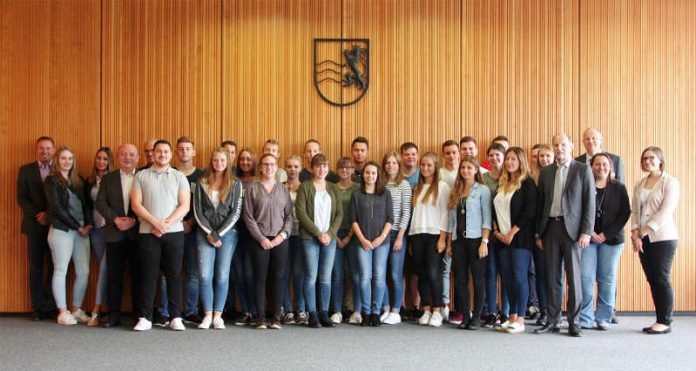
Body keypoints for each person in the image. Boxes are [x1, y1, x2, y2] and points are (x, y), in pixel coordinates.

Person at [535, 133, 595, 337]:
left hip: (573, 231)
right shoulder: (546, 172)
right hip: (550, 228)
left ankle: (574, 322)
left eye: (563, 144)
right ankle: (552, 320)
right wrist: (538, 233)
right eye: (556, 145)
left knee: (574, 278)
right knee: (552, 277)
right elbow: (541, 204)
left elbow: (589, 203)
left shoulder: (583, 169)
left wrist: (586, 232)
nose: (559, 148)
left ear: (571, 146)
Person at [131, 140, 191, 331]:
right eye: (159, 151)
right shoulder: (141, 176)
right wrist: (155, 223)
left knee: (174, 275)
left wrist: (165, 223)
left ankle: (175, 317)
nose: (162, 154)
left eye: (166, 151)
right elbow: (136, 205)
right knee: (148, 275)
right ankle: (146, 317)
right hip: (148, 233)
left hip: (173, 233)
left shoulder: (179, 177)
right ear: (153, 154)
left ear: (171, 155)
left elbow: (184, 205)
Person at [631, 146, 679, 335]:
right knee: (652, 279)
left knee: (661, 278)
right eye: (645, 158)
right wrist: (635, 233)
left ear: (660, 160)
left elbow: (665, 212)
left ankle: (665, 320)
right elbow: (635, 210)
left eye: (652, 158)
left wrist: (643, 231)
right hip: (643, 238)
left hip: (663, 238)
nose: (648, 161)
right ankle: (659, 318)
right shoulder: (640, 183)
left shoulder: (670, 182)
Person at [193, 148, 243, 330]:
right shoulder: (202, 182)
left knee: (222, 275)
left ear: (227, 162)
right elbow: (197, 211)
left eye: (222, 160)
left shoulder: (235, 183)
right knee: (205, 275)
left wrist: (219, 234)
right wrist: (209, 233)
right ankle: (207, 315)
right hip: (204, 233)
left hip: (227, 235)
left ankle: (218, 315)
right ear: (211, 162)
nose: (219, 164)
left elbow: (236, 212)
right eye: (216, 160)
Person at [580, 153, 630, 330]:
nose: (600, 168)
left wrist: (606, 234)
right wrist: (590, 232)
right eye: (597, 164)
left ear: (610, 167)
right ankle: (585, 317)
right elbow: (577, 211)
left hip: (612, 240)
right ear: (591, 166)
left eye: (604, 164)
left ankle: (603, 317)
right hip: (588, 239)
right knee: (585, 278)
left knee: (607, 278)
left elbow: (625, 214)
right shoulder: (584, 186)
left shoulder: (619, 188)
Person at [243, 153, 293, 330]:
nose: (269, 167)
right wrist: (261, 238)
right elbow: (248, 217)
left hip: (280, 240)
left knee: (278, 278)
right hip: (259, 240)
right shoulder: (253, 189)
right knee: (259, 278)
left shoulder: (283, 189)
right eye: (265, 164)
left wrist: (281, 236)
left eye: (272, 164)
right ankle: (260, 317)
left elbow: (289, 217)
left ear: (276, 167)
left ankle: (276, 317)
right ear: (261, 167)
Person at [44, 146, 93, 325]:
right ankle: (63, 312)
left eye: (70, 158)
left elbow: (86, 205)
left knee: (83, 271)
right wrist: (76, 227)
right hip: (61, 231)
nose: (67, 161)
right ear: (57, 161)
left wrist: (88, 224)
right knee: (61, 270)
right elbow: (57, 209)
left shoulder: (78, 180)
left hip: (81, 231)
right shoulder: (51, 181)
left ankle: (76, 309)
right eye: (63, 158)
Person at [95, 143, 142, 328]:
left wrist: (134, 220)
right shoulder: (108, 178)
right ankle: (113, 316)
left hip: (138, 235)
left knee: (138, 277)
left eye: (131, 154)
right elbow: (100, 202)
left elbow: (150, 202)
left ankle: (140, 316)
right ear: (118, 157)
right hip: (114, 234)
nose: (127, 158)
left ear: (138, 158)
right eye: (123, 154)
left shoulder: (143, 176)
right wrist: (115, 219)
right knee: (114, 277)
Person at [491, 147, 536, 334]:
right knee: (508, 279)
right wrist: (496, 231)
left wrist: (511, 233)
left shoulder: (527, 183)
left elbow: (529, 212)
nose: (509, 162)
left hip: (519, 239)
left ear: (521, 161)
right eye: (507, 159)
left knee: (519, 277)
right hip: (501, 238)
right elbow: (494, 210)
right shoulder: (501, 183)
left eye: (513, 159)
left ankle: (520, 318)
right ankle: (510, 316)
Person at [296, 154, 343, 328]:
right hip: (310, 238)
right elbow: (301, 213)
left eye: (324, 166)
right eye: (318, 166)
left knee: (325, 277)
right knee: (310, 276)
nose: (321, 169)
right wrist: (318, 233)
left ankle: (323, 312)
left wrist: (330, 234)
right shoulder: (305, 187)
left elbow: (339, 214)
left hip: (329, 239)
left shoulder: (333, 188)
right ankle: (312, 313)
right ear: (311, 168)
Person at [446, 156, 491, 330]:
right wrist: (449, 244)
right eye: (463, 168)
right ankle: (465, 316)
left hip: (476, 240)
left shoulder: (482, 190)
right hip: (459, 242)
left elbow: (487, 219)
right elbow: (451, 221)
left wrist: (484, 242)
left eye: (469, 168)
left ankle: (477, 318)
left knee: (478, 280)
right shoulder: (455, 190)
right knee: (460, 280)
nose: (465, 171)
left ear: (475, 170)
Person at [408, 152, 450, 327]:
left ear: (435, 167)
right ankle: (425, 308)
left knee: (434, 274)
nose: (425, 168)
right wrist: (410, 240)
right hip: (417, 235)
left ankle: (437, 310)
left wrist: (442, 239)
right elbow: (414, 214)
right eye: (423, 165)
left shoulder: (442, 186)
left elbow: (445, 214)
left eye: (429, 165)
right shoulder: (416, 188)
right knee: (422, 274)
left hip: (434, 235)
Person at [17, 136, 57, 321]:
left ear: (54, 150)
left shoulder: (59, 170)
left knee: (53, 267)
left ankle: (50, 306)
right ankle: (37, 307)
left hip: (55, 225)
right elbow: (22, 198)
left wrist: (49, 215)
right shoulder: (25, 170)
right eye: (41, 148)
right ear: (36, 150)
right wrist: (38, 215)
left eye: (48, 148)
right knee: (35, 267)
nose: (45, 152)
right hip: (33, 226)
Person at [351, 161, 393, 327]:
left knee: (379, 277)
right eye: (367, 173)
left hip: (382, 242)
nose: (370, 176)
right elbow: (353, 219)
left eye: (373, 173)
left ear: (378, 175)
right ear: (363, 175)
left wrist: (381, 237)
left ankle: (376, 312)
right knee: (364, 277)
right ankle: (366, 312)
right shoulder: (357, 194)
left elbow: (390, 218)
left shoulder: (385, 193)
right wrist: (363, 239)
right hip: (362, 242)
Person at [379, 152, 412, 325]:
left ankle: (396, 310)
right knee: (380, 273)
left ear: (399, 165)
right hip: (382, 235)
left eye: (394, 163)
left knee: (395, 274)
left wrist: (400, 236)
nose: (391, 166)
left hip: (397, 234)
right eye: (388, 163)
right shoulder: (381, 185)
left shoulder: (404, 184)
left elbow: (406, 211)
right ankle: (385, 307)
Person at [175, 137, 204, 325]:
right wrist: (177, 223)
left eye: (188, 149)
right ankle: (170, 311)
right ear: (176, 152)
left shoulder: (201, 177)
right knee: (171, 273)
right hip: (172, 230)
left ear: (194, 152)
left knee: (194, 273)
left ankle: (190, 311)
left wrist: (191, 223)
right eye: (181, 149)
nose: (184, 152)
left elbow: (203, 205)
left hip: (195, 231)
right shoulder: (170, 174)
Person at [481, 142, 509, 328]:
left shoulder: (511, 178)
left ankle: (505, 312)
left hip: (507, 233)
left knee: (506, 274)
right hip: (489, 232)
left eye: (498, 155)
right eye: (491, 155)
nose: (494, 158)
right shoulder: (483, 178)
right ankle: (491, 311)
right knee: (490, 273)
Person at [85, 147, 114, 326]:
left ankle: (96, 309)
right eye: (99, 158)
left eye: (105, 159)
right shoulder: (88, 182)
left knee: (105, 268)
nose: (101, 162)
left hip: (110, 229)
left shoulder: (113, 180)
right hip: (95, 230)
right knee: (106, 270)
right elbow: (86, 206)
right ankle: (107, 309)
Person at [331, 157, 360, 324]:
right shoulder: (331, 188)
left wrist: (349, 236)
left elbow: (359, 214)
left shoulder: (357, 188)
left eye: (348, 167)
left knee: (354, 274)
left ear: (353, 170)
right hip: (334, 234)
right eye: (341, 167)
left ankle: (356, 310)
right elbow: (327, 213)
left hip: (354, 235)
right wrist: (334, 235)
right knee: (337, 274)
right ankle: (336, 310)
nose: (344, 170)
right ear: (337, 170)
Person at [232, 148, 258, 326]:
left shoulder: (258, 181)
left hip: (254, 232)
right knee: (238, 274)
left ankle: (255, 310)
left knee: (251, 273)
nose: (245, 162)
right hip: (235, 230)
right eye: (242, 159)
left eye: (249, 159)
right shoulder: (234, 181)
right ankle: (245, 310)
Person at [528, 143, 554, 325]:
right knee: (539, 273)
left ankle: (553, 312)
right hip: (536, 232)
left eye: (546, 156)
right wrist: (537, 234)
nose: (542, 159)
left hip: (555, 232)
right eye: (539, 156)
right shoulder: (531, 178)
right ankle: (543, 310)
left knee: (553, 274)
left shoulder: (558, 175)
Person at [282, 155, 306, 324]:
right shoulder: (280, 187)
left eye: (295, 166)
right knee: (284, 274)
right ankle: (287, 310)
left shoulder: (305, 187)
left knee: (299, 274)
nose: (292, 170)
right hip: (283, 236)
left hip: (301, 235)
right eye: (289, 166)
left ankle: (301, 310)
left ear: (301, 168)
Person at [438, 140, 460, 322]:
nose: (451, 156)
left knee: (462, 271)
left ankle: (463, 308)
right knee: (445, 268)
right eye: (447, 153)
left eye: (454, 152)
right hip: (447, 224)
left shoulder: (466, 170)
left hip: (466, 226)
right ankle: (445, 304)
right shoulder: (440, 175)